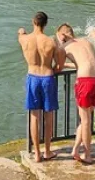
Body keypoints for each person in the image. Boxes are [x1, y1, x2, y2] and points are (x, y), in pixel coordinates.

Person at [19, 12, 63, 163]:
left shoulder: (24, 39)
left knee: (34, 116)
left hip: (32, 77)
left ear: (33, 22)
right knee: (49, 116)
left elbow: (21, 34)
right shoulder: (51, 41)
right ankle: (48, 151)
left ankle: (37, 154)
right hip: (47, 77)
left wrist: (21, 31)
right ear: (46, 24)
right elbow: (59, 65)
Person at [57, 23, 95, 164]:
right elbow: (82, 62)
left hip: (85, 81)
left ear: (62, 35)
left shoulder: (64, 47)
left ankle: (87, 154)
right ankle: (76, 149)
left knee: (86, 121)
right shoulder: (86, 41)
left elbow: (57, 67)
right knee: (86, 118)